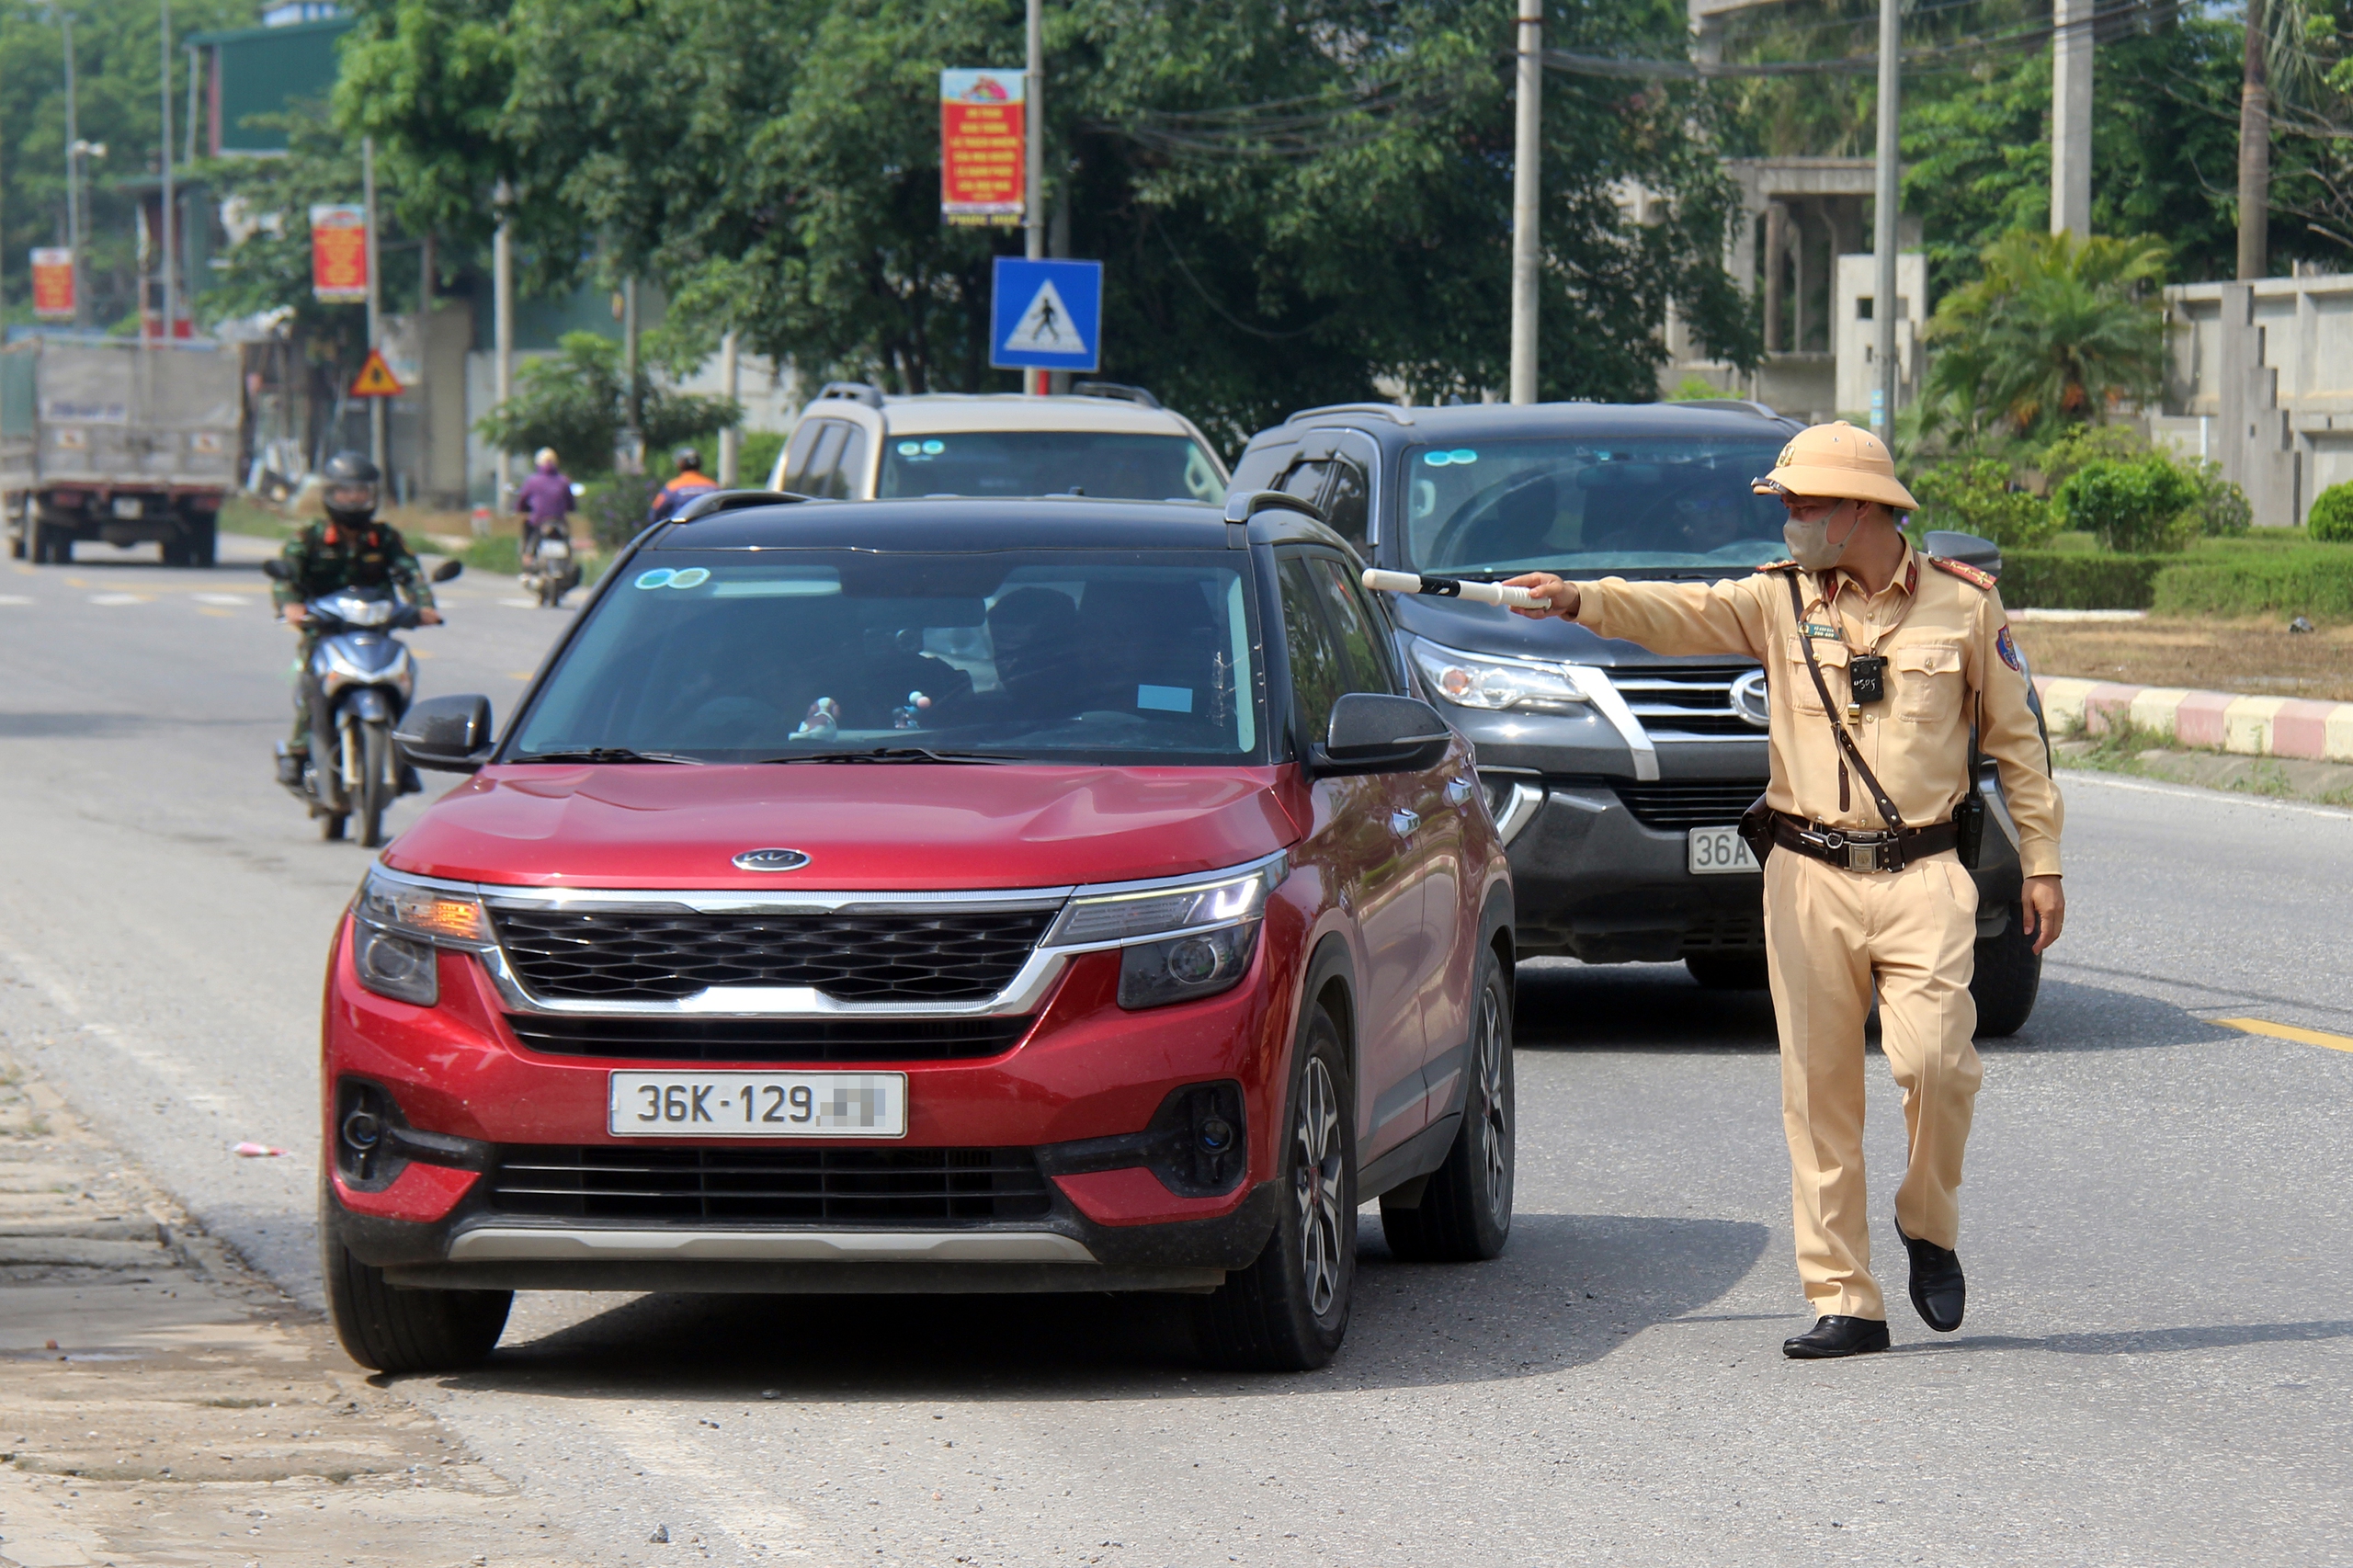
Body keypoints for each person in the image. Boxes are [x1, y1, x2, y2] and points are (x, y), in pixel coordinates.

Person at [1503, 420, 2065, 1360]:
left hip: (1924, 869)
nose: (1789, 520)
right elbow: (1673, 612)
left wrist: (2042, 861)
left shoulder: (1965, 609)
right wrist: (1577, 600)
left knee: (1936, 1064)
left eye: (1803, 504)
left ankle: (1927, 1223)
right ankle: (1847, 1294)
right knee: (1818, 1089)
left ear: (1859, 511)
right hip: (1806, 874)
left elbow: (2021, 746)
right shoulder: (1774, 601)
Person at [272, 451, 441, 784]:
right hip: (326, 630)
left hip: (377, 628)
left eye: (361, 491)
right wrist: (291, 606)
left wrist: (424, 606)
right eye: (345, 491)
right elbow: (287, 577)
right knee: (312, 681)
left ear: (373, 495)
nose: (353, 499)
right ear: (330, 495)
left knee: (402, 679)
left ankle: (401, 754)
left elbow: (410, 573)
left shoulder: (385, 537)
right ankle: (300, 751)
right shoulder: (309, 538)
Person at [515, 447, 575, 551]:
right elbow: (571, 504)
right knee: (567, 535)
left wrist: (520, 508)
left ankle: (527, 556)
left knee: (528, 529)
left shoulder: (532, 481)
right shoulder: (563, 481)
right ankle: (570, 556)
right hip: (559, 520)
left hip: (538, 520)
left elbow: (522, 501)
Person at [648, 445, 719, 522]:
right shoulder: (713, 486)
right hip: (708, 530)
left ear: (679, 464)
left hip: (681, 531)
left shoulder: (673, 486)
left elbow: (655, 513)